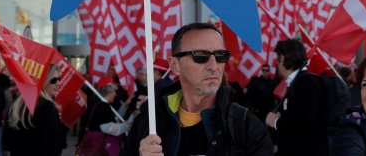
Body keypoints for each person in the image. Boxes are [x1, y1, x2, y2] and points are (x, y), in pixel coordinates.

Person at [121, 22, 272, 156]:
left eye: (220, 55)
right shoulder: (148, 124)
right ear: (175, 65)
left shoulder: (246, 127)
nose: (213, 66)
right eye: (200, 56)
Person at [265, 38, 328, 156]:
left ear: (282, 59)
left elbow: (306, 123)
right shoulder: (299, 82)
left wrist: (276, 122)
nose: (276, 65)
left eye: (277, 60)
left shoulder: (306, 82)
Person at [3, 65, 67, 156]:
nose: (58, 83)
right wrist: (64, 127)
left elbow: (7, 143)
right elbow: (54, 147)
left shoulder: (18, 105)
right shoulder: (47, 107)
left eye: (59, 79)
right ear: (42, 81)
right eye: (53, 80)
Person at [82, 77, 131, 155]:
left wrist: (125, 106)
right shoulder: (103, 106)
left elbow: (113, 119)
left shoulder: (100, 104)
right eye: (114, 91)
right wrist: (128, 124)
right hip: (102, 147)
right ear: (109, 91)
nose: (115, 94)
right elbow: (108, 128)